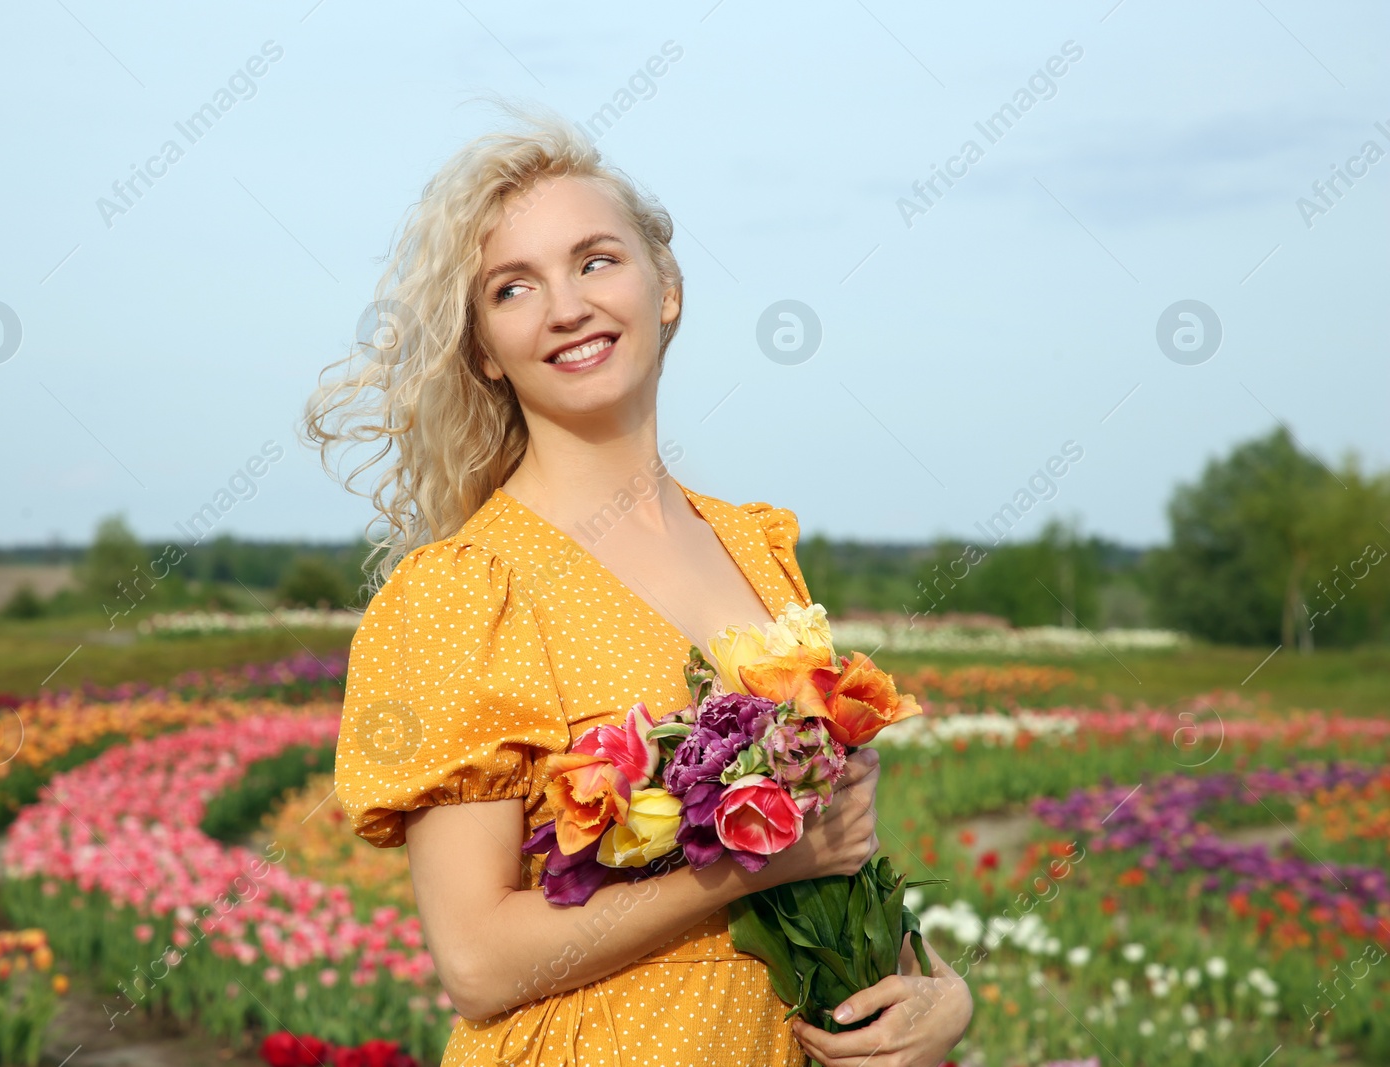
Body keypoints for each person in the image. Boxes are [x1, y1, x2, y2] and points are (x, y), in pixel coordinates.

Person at [309, 102, 972, 1067]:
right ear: (486, 352)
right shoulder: (466, 592)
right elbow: (479, 961)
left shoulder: (752, 545)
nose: (567, 306)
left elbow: (836, 853)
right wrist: (749, 869)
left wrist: (936, 993)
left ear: (666, 288)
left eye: (595, 260)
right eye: (512, 288)